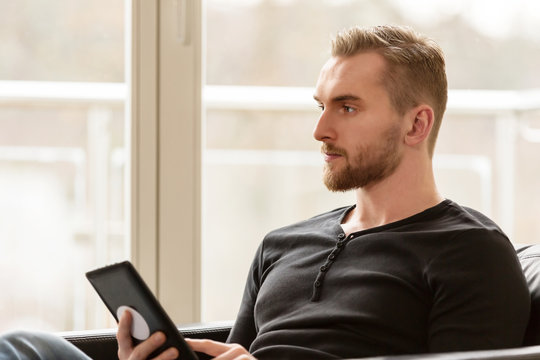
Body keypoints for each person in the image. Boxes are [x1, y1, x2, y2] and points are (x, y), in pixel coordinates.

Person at [0, 24, 531, 360]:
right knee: (18, 346)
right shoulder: (284, 242)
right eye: (320, 105)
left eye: (346, 107)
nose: (320, 129)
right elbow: (235, 351)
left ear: (417, 125)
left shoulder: (470, 251)